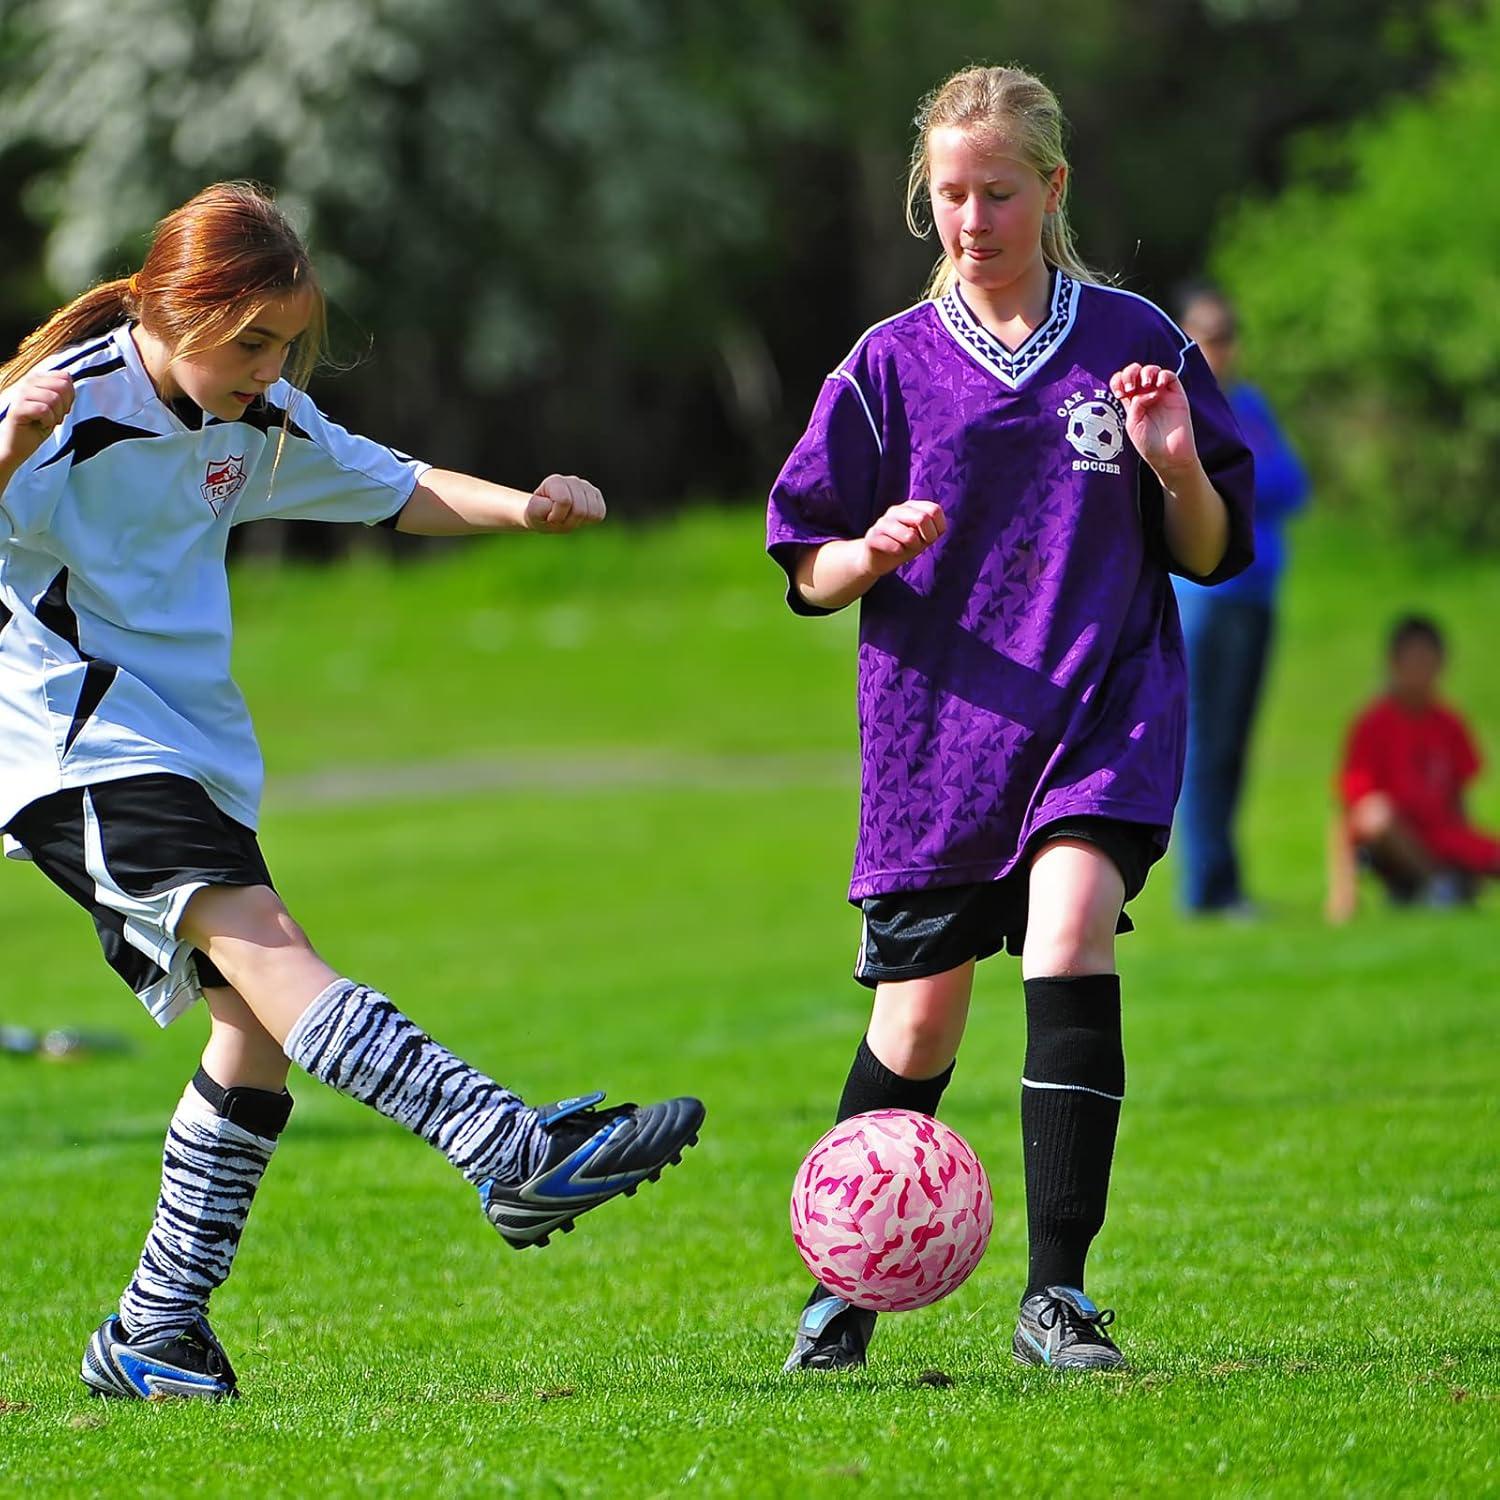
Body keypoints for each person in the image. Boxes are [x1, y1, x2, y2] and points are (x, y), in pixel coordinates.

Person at [0, 182, 704, 1402]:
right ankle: (505, 1145)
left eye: (284, 345)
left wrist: (524, 511)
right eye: (253, 342)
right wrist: (8, 439)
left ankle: (154, 1328)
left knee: (254, 1032)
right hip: (68, 735)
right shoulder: (68, 405)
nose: (273, 370)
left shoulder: (251, 414)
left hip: (172, 739)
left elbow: (396, 483)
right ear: (176, 307)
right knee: (277, 959)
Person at [766, 64, 1253, 1374]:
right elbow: (807, 570)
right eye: (950, 192)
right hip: (940, 739)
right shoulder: (886, 367)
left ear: (1054, 188)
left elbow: (1208, 554)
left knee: (1072, 928)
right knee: (918, 1026)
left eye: (998, 190)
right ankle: (844, 1284)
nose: (973, 215)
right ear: (928, 197)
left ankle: (1058, 1296)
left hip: (1104, 712)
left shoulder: (1131, 340)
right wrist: (866, 553)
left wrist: (1173, 464)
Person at [1172, 283, 1309, 916]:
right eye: (1207, 335)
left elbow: (1291, 484)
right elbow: (1224, 486)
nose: (1219, 348)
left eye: (1227, 334)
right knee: (1202, 740)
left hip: (1257, 593)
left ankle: (1226, 882)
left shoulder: (1249, 405)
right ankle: (1204, 886)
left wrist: (1239, 479)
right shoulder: (1179, 406)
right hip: (1205, 598)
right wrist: (1243, 479)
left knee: (1236, 740)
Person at [1326, 615, 1500, 922]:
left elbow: (1459, 801)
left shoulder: (1449, 723)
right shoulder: (1373, 724)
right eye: (1412, 661)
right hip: (1396, 839)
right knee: (1377, 814)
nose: (1420, 671)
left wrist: (1471, 851)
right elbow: (1350, 811)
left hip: (1441, 831)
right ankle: (1438, 884)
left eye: (1427, 661)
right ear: (1393, 663)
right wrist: (1343, 892)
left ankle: (1454, 884)